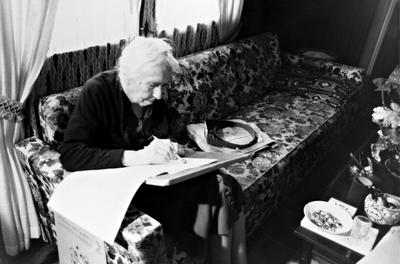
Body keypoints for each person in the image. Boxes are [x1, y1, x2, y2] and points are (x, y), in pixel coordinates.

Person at [59, 36, 247, 264]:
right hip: (127, 189)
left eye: (164, 85)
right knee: (218, 191)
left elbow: (162, 135)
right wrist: (138, 157)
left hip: (159, 178)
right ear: (129, 77)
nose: (160, 95)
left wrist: (171, 147)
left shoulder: (152, 98)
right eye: (153, 86)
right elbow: (71, 154)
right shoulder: (98, 91)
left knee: (226, 184)